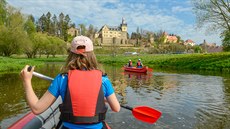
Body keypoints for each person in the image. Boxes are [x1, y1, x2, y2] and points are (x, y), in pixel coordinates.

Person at [20, 35, 120, 129]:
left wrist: (26, 81)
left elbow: (37, 109)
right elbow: (116, 108)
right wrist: (103, 99)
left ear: (71, 55)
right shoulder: (104, 80)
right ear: (92, 55)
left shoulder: (61, 79)